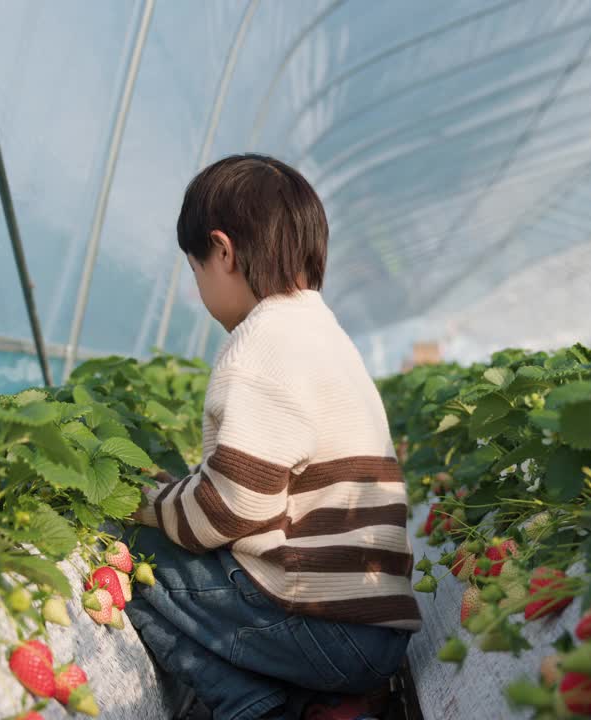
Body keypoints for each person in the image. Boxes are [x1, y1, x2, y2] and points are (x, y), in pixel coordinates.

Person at [126, 154, 420, 720]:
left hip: (326, 628)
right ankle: (329, 703)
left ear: (223, 251)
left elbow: (228, 514)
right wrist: (186, 490)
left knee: (128, 557)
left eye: (196, 269)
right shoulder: (324, 334)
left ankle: (252, 706)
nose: (199, 288)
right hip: (377, 629)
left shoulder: (259, 347)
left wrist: (149, 504)